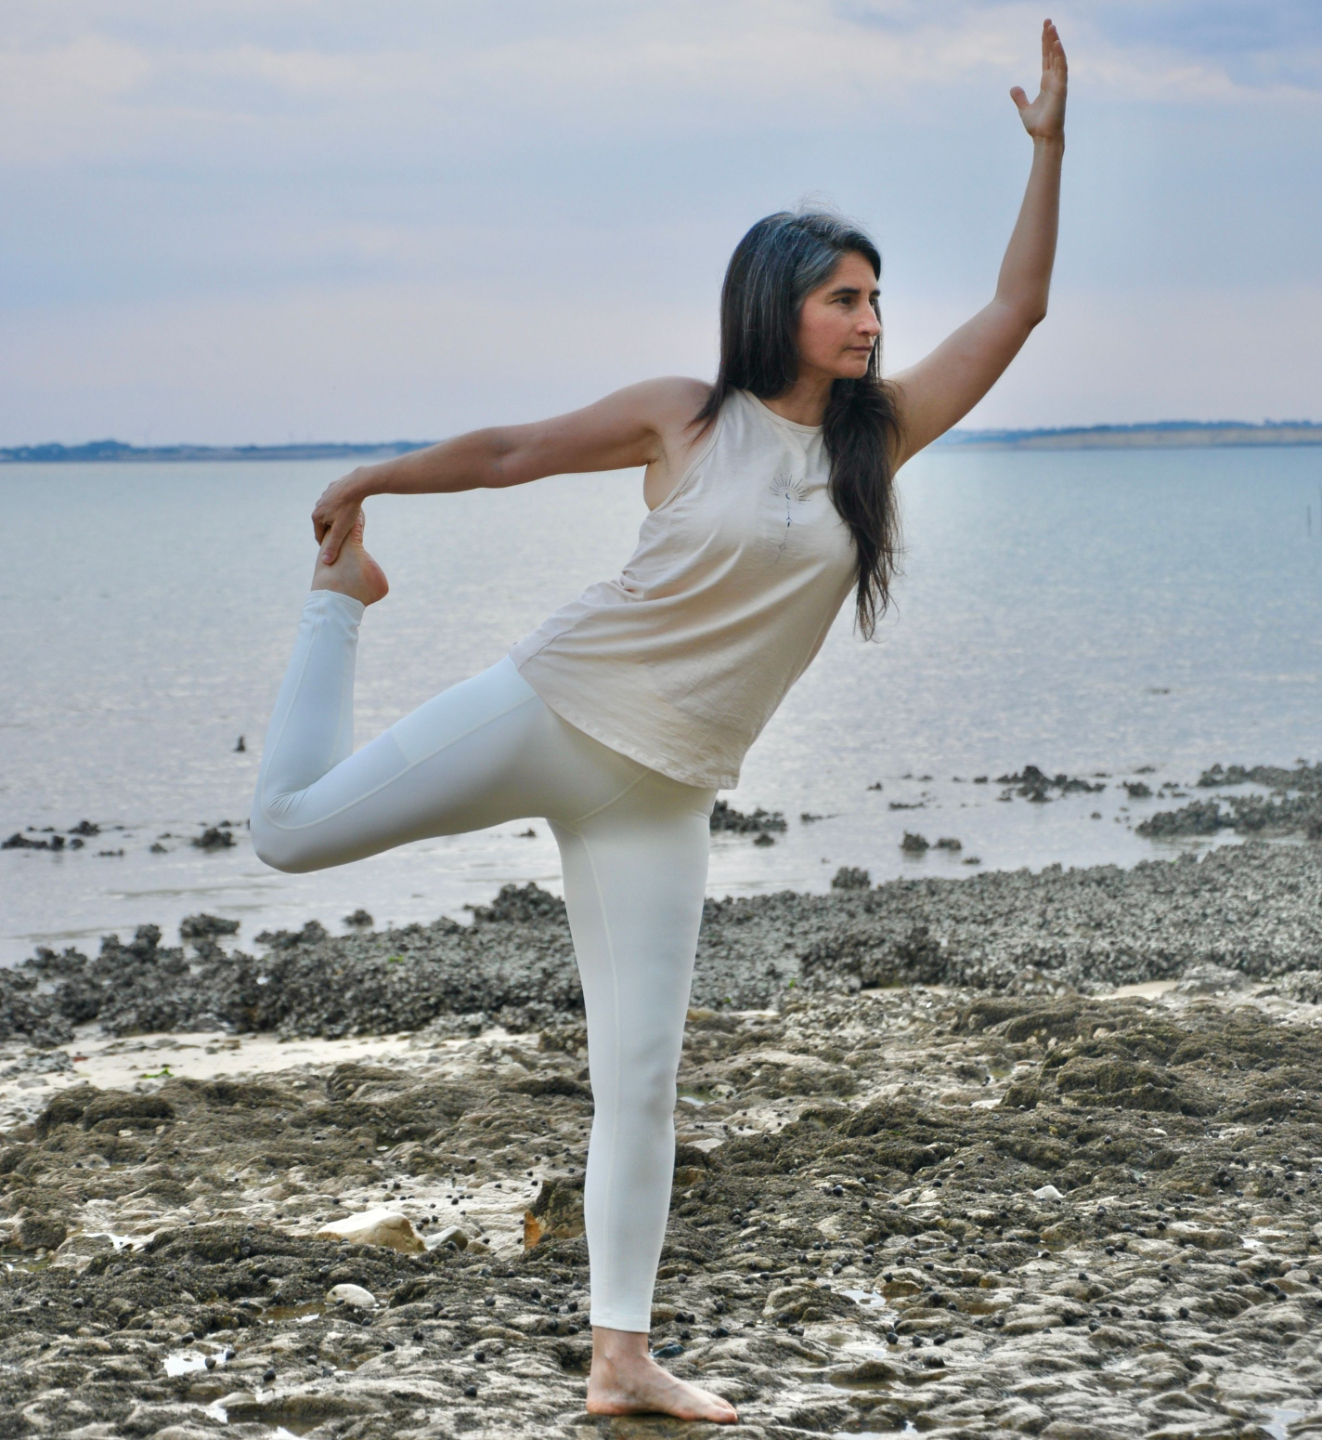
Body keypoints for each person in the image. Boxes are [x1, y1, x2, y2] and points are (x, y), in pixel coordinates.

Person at [250, 20, 1066, 1424]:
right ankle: (342, 603)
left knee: (639, 1080)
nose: (871, 320)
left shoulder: (874, 440)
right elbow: (512, 452)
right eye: (844, 299)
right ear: (776, 307)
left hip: (667, 791)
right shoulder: (685, 417)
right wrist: (375, 478)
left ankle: (619, 1359)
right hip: (552, 706)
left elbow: (1018, 309)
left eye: (876, 298)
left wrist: (1047, 150)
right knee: (284, 833)